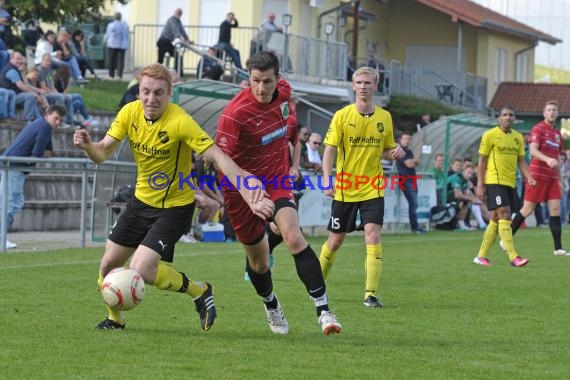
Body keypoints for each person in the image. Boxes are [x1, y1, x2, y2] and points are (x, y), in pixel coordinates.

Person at [73, 63, 272, 331]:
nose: (150, 99)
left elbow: (216, 156)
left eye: (158, 93)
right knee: (107, 265)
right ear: (138, 91)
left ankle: (199, 290)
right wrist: (87, 146)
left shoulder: (180, 121)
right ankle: (115, 320)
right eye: (145, 91)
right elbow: (102, 153)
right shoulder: (129, 113)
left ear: (169, 94)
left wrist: (247, 188)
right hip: (141, 202)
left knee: (141, 269)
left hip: (175, 208)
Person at [216, 51, 342, 335]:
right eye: (255, 81)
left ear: (279, 80)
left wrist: (293, 165)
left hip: (275, 180)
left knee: (294, 237)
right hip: (240, 191)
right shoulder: (234, 114)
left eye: (267, 81)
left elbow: (293, 135)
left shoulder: (284, 95)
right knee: (258, 263)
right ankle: (271, 304)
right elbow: (222, 163)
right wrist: (249, 192)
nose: (261, 88)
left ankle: (324, 311)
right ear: (248, 78)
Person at [319, 66, 405, 308]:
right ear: (353, 86)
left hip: (373, 187)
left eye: (368, 83)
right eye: (359, 82)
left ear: (375, 86)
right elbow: (329, 149)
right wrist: (327, 179)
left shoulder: (384, 117)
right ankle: (316, 285)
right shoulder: (342, 116)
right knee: (335, 242)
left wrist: (395, 152)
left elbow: (386, 152)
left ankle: (370, 294)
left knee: (373, 235)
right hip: (346, 188)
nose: (363, 86)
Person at [505, 101, 567, 256]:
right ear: (544, 113)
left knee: (555, 209)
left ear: (557, 113)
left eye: (554, 110)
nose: (552, 112)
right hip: (537, 175)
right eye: (549, 110)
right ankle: (505, 240)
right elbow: (533, 151)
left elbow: (558, 158)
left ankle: (558, 248)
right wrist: (547, 160)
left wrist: (559, 180)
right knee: (527, 209)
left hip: (552, 177)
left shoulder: (558, 134)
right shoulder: (538, 129)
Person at [473, 107, 533, 267]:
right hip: (494, 181)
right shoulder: (490, 135)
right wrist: (480, 184)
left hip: (510, 183)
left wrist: (529, 177)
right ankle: (514, 257)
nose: (508, 118)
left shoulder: (518, 137)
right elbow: (482, 161)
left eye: (511, 115)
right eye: (505, 115)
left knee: (496, 218)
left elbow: (521, 160)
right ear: (499, 118)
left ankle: (480, 256)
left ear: (514, 118)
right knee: (505, 215)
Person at [0, 104, 66, 249]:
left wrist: (42, 153)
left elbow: (49, 152)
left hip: (9, 165)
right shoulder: (44, 127)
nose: (58, 123)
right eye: (56, 118)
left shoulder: (42, 125)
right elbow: (37, 154)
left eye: (60, 120)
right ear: (47, 115)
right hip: (14, 167)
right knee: (13, 202)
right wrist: (41, 154)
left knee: (6, 202)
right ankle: (1, 238)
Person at [0, 51, 43, 122]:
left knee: (33, 96)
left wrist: (37, 92)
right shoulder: (11, 70)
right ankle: (30, 119)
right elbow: (20, 85)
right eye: (17, 59)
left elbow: (26, 85)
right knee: (30, 97)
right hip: (12, 96)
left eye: (20, 59)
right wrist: (34, 93)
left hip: (16, 94)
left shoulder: (15, 69)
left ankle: (39, 120)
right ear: (11, 58)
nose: (19, 61)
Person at [396, 132, 425, 233]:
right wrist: (414, 161)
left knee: (414, 204)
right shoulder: (399, 151)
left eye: (408, 139)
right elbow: (409, 164)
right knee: (413, 203)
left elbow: (415, 162)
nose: (407, 141)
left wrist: (414, 161)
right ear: (400, 140)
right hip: (405, 179)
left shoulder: (409, 152)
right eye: (405, 139)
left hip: (411, 179)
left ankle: (415, 226)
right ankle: (415, 227)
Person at [52, 63, 96, 127]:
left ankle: (87, 119)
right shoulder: (57, 80)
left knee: (78, 102)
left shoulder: (62, 80)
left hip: (66, 103)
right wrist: (68, 84)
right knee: (78, 96)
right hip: (61, 102)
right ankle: (87, 118)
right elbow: (63, 94)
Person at [446, 162, 487, 230]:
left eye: (471, 174)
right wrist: (471, 199)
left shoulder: (465, 181)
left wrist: (474, 199)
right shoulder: (457, 178)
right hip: (445, 198)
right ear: (463, 171)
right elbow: (457, 194)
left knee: (471, 201)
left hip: (454, 198)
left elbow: (467, 193)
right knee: (465, 201)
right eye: (468, 172)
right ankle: (460, 223)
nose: (470, 175)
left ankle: (482, 223)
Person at [157, 8, 190, 77]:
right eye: (177, 13)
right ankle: (157, 74)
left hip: (168, 42)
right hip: (163, 41)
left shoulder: (179, 21)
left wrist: (188, 40)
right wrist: (182, 39)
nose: (178, 15)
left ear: (181, 15)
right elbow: (176, 32)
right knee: (160, 60)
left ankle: (179, 75)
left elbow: (182, 31)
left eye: (179, 13)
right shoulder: (172, 19)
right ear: (175, 13)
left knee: (178, 56)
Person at [105, 12, 129, 81]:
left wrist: (105, 41)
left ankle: (111, 75)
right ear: (120, 17)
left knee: (111, 60)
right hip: (122, 45)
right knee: (120, 61)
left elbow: (108, 34)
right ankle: (119, 76)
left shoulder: (111, 25)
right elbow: (126, 34)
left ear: (114, 17)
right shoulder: (124, 25)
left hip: (112, 44)